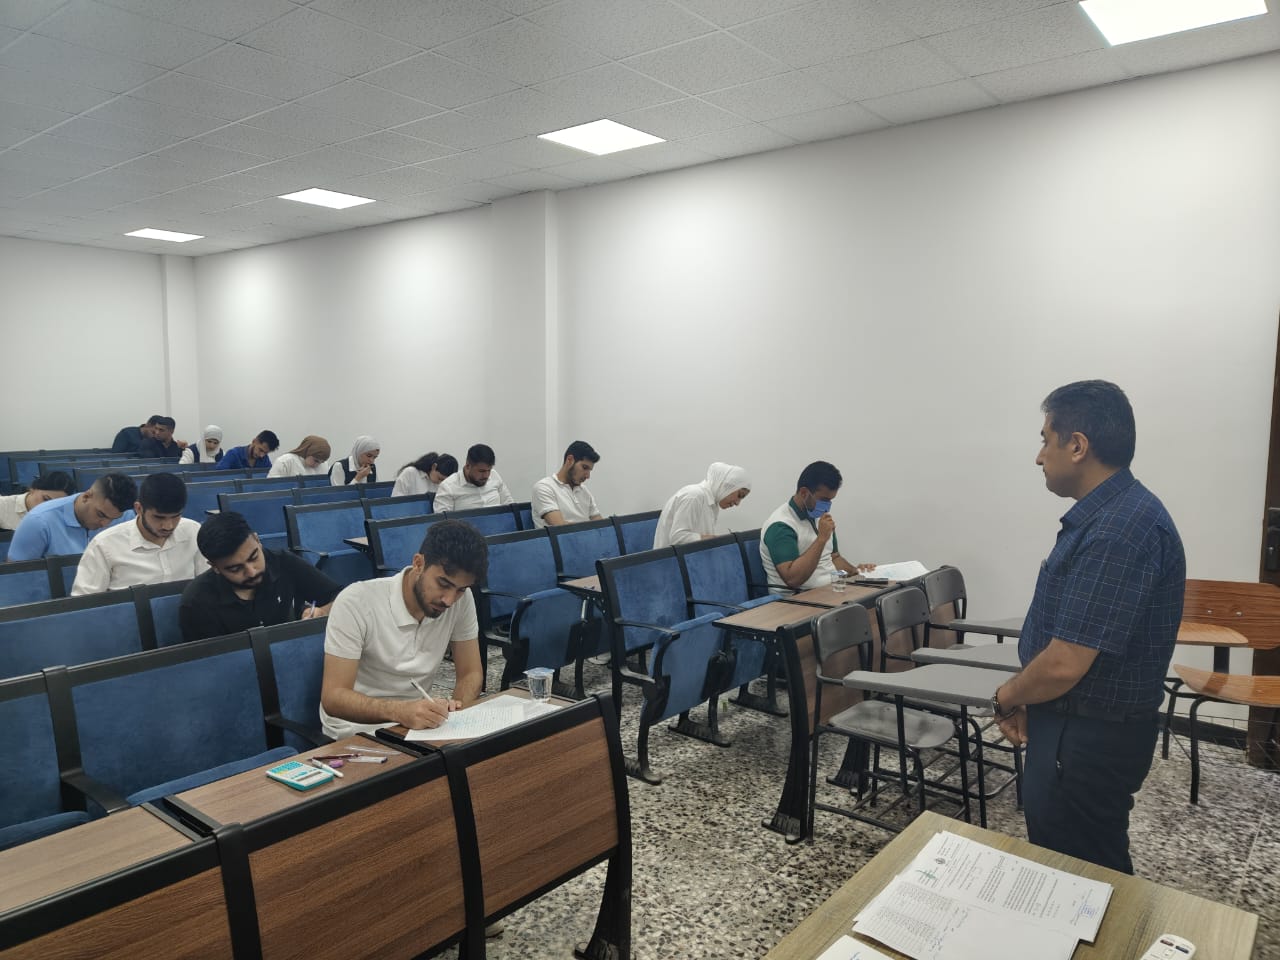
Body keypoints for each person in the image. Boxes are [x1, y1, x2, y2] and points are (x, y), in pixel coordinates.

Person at [991, 381, 1185, 875]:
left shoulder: (1119, 529)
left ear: (1077, 445)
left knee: (1081, 875)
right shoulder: (1115, 516)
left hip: (1087, 736)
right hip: (1074, 723)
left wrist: (1007, 696)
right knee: (1070, 862)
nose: (1039, 456)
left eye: (1045, 440)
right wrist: (1033, 698)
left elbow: (1064, 664)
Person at [319, 519, 487, 741]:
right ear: (418, 563)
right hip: (355, 732)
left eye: (460, 590)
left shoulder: (461, 601)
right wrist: (399, 711)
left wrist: (457, 711)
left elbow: (470, 673)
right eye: (443, 584)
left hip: (416, 727)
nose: (449, 600)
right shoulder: (357, 601)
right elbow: (333, 697)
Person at [178, 511, 341, 642]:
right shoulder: (197, 603)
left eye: (254, 557)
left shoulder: (283, 562)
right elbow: (211, 666)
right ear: (215, 567)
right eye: (235, 568)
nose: (251, 572)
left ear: (257, 540)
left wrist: (322, 612)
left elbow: (341, 598)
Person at [71, 473, 206, 595]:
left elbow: (207, 583)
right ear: (139, 509)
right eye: (159, 517)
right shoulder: (104, 545)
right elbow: (85, 603)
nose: (168, 526)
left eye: (176, 516)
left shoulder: (193, 531)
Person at [760, 461, 870, 591]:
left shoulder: (820, 517)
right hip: (798, 598)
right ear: (804, 493)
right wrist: (821, 539)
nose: (827, 507)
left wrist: (857, 572)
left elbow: (834, 558)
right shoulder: (781, 526)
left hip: (830, 590)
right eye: (824, 500)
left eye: (830, 500)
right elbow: (792, 579)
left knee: (875, 595)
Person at [6, 473, 136, 562]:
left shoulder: (126, 516)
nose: (105, 524)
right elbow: (17, 578)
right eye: (101, 515)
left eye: (113, 518)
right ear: (86, 497)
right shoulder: (39, 521)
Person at [653, 462, 751, 548]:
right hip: (670, 562)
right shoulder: (694, 496)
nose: (737, 503)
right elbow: (677, 538)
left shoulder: (712, 502)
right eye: (739, 495)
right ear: (726, 486)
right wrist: (715, 539)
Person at [531, 441, 603, 528]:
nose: (587, 476)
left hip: (585, 536)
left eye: (589, 470)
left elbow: (601, 526)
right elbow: (561, 528)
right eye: (584, 468)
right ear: (569, 460)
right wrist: (589, 529)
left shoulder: (584, 491)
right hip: (561, 537)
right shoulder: (544, 487)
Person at [432, 444, 514, 512]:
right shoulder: (448, 487)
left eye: (489, 470)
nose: (486, 475)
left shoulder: (494, 475)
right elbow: (442, 522)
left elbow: (510, 506)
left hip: (499, 525)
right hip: (466, 527)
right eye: (481, 471)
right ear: (468, 466)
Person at [0, 471, 77, 531]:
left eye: (56, 504)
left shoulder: (61, 518)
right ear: (33, 489)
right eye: (46, 499)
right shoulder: (2, 506)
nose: (49, 507)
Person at [391, 452, 458, 498]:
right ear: (434, 467)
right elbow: (396, 501)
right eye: (439, 478)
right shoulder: (410, 473)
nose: (440, 483)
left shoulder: (444, 484)